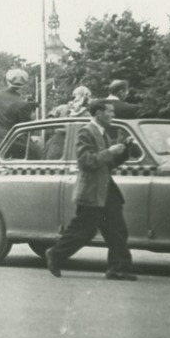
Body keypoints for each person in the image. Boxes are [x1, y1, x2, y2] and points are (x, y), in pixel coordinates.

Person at [45, 100, 138, 281]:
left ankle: (118, 268)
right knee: (84, 231)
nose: (113, 115)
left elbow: (108, 164)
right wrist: (110, 151)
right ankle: (55, 254)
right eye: (109, 112)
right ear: (98, 113)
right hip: (91, 190)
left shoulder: (101, 133)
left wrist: (125, 151)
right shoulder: (86, 131)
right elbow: (86, 161)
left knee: (117, 229)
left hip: (105, 189)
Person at [0, 68, 34, 149]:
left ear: (7, 81)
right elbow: (28, 132)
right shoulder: (23, 104)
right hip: (14, 149)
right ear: (24, 85)